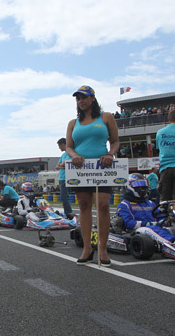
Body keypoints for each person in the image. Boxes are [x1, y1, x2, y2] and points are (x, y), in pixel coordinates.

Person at [65, 85, 119, 266]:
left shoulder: (106, 117)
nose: (81, 101)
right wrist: (74, 156)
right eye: (78, 98)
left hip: (102, 168)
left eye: (84, 97)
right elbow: (69, 146)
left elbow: (115, 141)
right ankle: (87, 247)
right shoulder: (73, 123)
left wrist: (110, 154)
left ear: (92, 99)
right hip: (80, 169)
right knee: (83, 205)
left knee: (103, 205)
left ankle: (102, 248)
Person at [115, 174, 175, 244]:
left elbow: (159, 217)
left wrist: (165, 221)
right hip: (137, 231)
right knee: (152, 229)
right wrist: (147, 224)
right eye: (138, 185)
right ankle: (173, 243)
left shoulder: (150, 203)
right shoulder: (124, 205)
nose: (142, 188)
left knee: (174, 227)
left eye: (144, 185)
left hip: (153, 228)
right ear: (129, 186)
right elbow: (128, 223)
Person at [55, 137, 74, 219]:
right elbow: (57, 166)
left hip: (67, 177)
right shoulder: (63, 155)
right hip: (61, 177)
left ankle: (69, 213)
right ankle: (68, 212)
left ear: (63, 144)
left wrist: (63, 165)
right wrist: (63, 165)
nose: (59, 148)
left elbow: (69, 164)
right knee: (63, 196)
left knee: (64, 196)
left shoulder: (70, 153)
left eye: (59, 146)